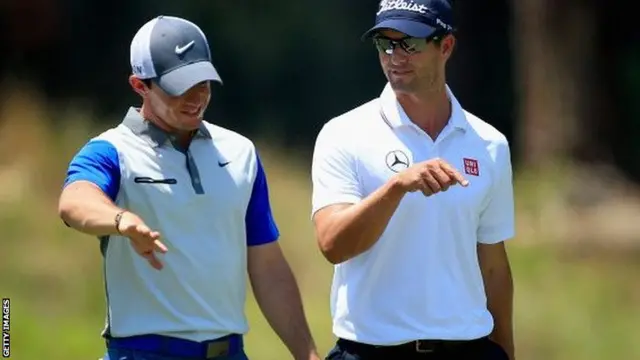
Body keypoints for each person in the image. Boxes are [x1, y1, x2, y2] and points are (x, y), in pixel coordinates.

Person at [58, 15, 320, 360]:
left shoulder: (240, 152)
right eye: (178, 87)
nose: (196, 97)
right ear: (140, 85)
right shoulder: (111, 150)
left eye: (203, 83)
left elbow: (267, 265)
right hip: (142, 353)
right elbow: (75, 200)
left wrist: (308, 355)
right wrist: (122, 221)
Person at [310, 1, 516, 359]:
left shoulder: (489, 144)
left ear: (446, 46)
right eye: (385, 44)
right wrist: (396, 187)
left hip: (469, 350)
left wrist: (506, 351)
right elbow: (332, 244)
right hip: (371, 351)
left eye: (411, 43)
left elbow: (494, 266)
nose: (395, 56)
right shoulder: (343, 133)